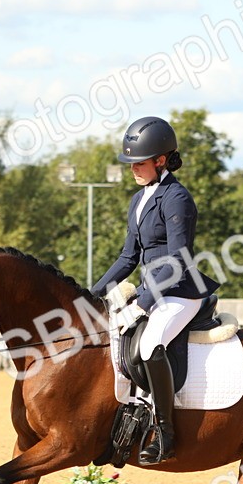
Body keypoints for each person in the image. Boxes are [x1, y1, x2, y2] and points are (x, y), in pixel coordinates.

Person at [91, 116, 221, 465]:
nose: (133, 168)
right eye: (130, 162)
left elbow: (179, 259)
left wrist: (144, 303)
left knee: (149, 344)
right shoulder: (139, 199)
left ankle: (165, 432)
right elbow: (127, 256)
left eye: (140, 162)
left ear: (161, 160)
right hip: (152, 289)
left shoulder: (176, 197)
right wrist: (90, 295)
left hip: (181, 292)